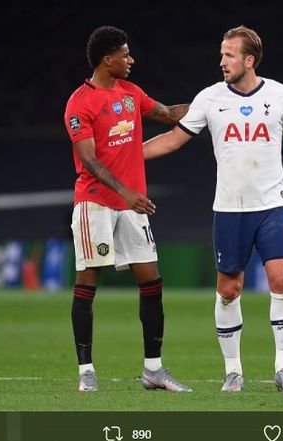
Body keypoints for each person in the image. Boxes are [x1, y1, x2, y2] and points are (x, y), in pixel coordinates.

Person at [143, 26, 283, 392]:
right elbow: (174, 140)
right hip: (230, 209)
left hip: (273, 205)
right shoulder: (209, 98)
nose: (222, 62)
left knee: (281, 279)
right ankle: (233, 370)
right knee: (229, 290)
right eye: (222, 54)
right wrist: (125, 155)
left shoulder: (281, 95)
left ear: (249, 60)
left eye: (230, 55)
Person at [63, 26, 191, 392]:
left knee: (151, 281)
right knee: (88, 281)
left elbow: (168, 114)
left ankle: (154, 369)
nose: (131, 60)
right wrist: (126, 192)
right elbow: (88, 161)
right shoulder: (79, 103)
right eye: (125, 54)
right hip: (95, 204)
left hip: (132, 205)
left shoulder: (131, 94)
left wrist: (214, 102)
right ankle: (86, 370)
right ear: (108, 59)